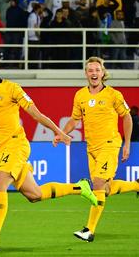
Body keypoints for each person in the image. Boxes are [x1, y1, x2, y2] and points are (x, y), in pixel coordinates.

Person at [0, 52, 98, 252]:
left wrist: (60, 132)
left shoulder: (12, 89)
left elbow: (36, 114)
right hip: (2, 149)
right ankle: (80, 188)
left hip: (16, 144)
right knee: (34, 194)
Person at [61, 57, 137, 242]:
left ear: (103, 73)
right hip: (91, 148)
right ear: (86, 74)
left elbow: (127, 117)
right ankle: (137, 185)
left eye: (97, 70)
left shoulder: (113, 95)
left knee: (97, 183)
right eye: (90, 70)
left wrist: (127, 143)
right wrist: (62, 133)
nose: (94, 73)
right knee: (106, 189)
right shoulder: (80, 95)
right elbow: (74, 119)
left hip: (110, 145)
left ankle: (89, 230)